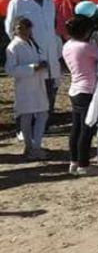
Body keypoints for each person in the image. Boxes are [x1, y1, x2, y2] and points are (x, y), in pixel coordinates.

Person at [4, 0, 62, 124]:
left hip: (50, 54)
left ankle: (43, 126)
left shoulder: (49, 1)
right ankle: (23, 127)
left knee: (49, 90)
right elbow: (10, 27)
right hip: (30, 55)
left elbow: (50, 27)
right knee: (28, 94)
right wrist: (24, 47)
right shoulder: (18, 2)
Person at [5, 17, 50, 161]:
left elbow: (40, 57)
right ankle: (29, 146)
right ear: (14, 29)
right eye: (19, 28)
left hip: (38, 84)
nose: (22, 31)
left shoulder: (32, 43)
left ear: (30, 29)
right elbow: (10, 69)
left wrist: (42, 64)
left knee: (42, 113)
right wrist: (32, 68)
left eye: (25, 28)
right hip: (24, 85)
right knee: (26, 115)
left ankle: (35, 145)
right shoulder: (13, 47)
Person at [61, 15, 98, 175]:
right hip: (86, 91)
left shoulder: (68, 45)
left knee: (76, 128)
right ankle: (84, 164)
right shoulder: (86, 47)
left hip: (75, 89)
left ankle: (74, 161)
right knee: (87, 128)